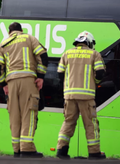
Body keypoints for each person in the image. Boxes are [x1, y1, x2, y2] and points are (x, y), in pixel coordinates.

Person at [0, 22, 48, 158]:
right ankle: (27, 148)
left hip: (11, 84)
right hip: (28, 80)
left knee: (14, 116)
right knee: (29, 112)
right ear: (21, 30)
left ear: (10, 33)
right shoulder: (29, 38)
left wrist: (3, 84)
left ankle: (17, 149)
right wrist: (40, 77)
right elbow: (43, 57)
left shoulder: (3, 44)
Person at [56, 31, 106, 160]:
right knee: (90, 124)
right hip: (87, 97)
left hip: (69, 96)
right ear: (89, 42)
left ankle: (61, 150)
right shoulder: (94, 54)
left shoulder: (66, 53)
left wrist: (68, 86)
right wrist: (94, 82)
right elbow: (100, 73)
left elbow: (60, 74)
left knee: (68, 122)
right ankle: (94, 153)